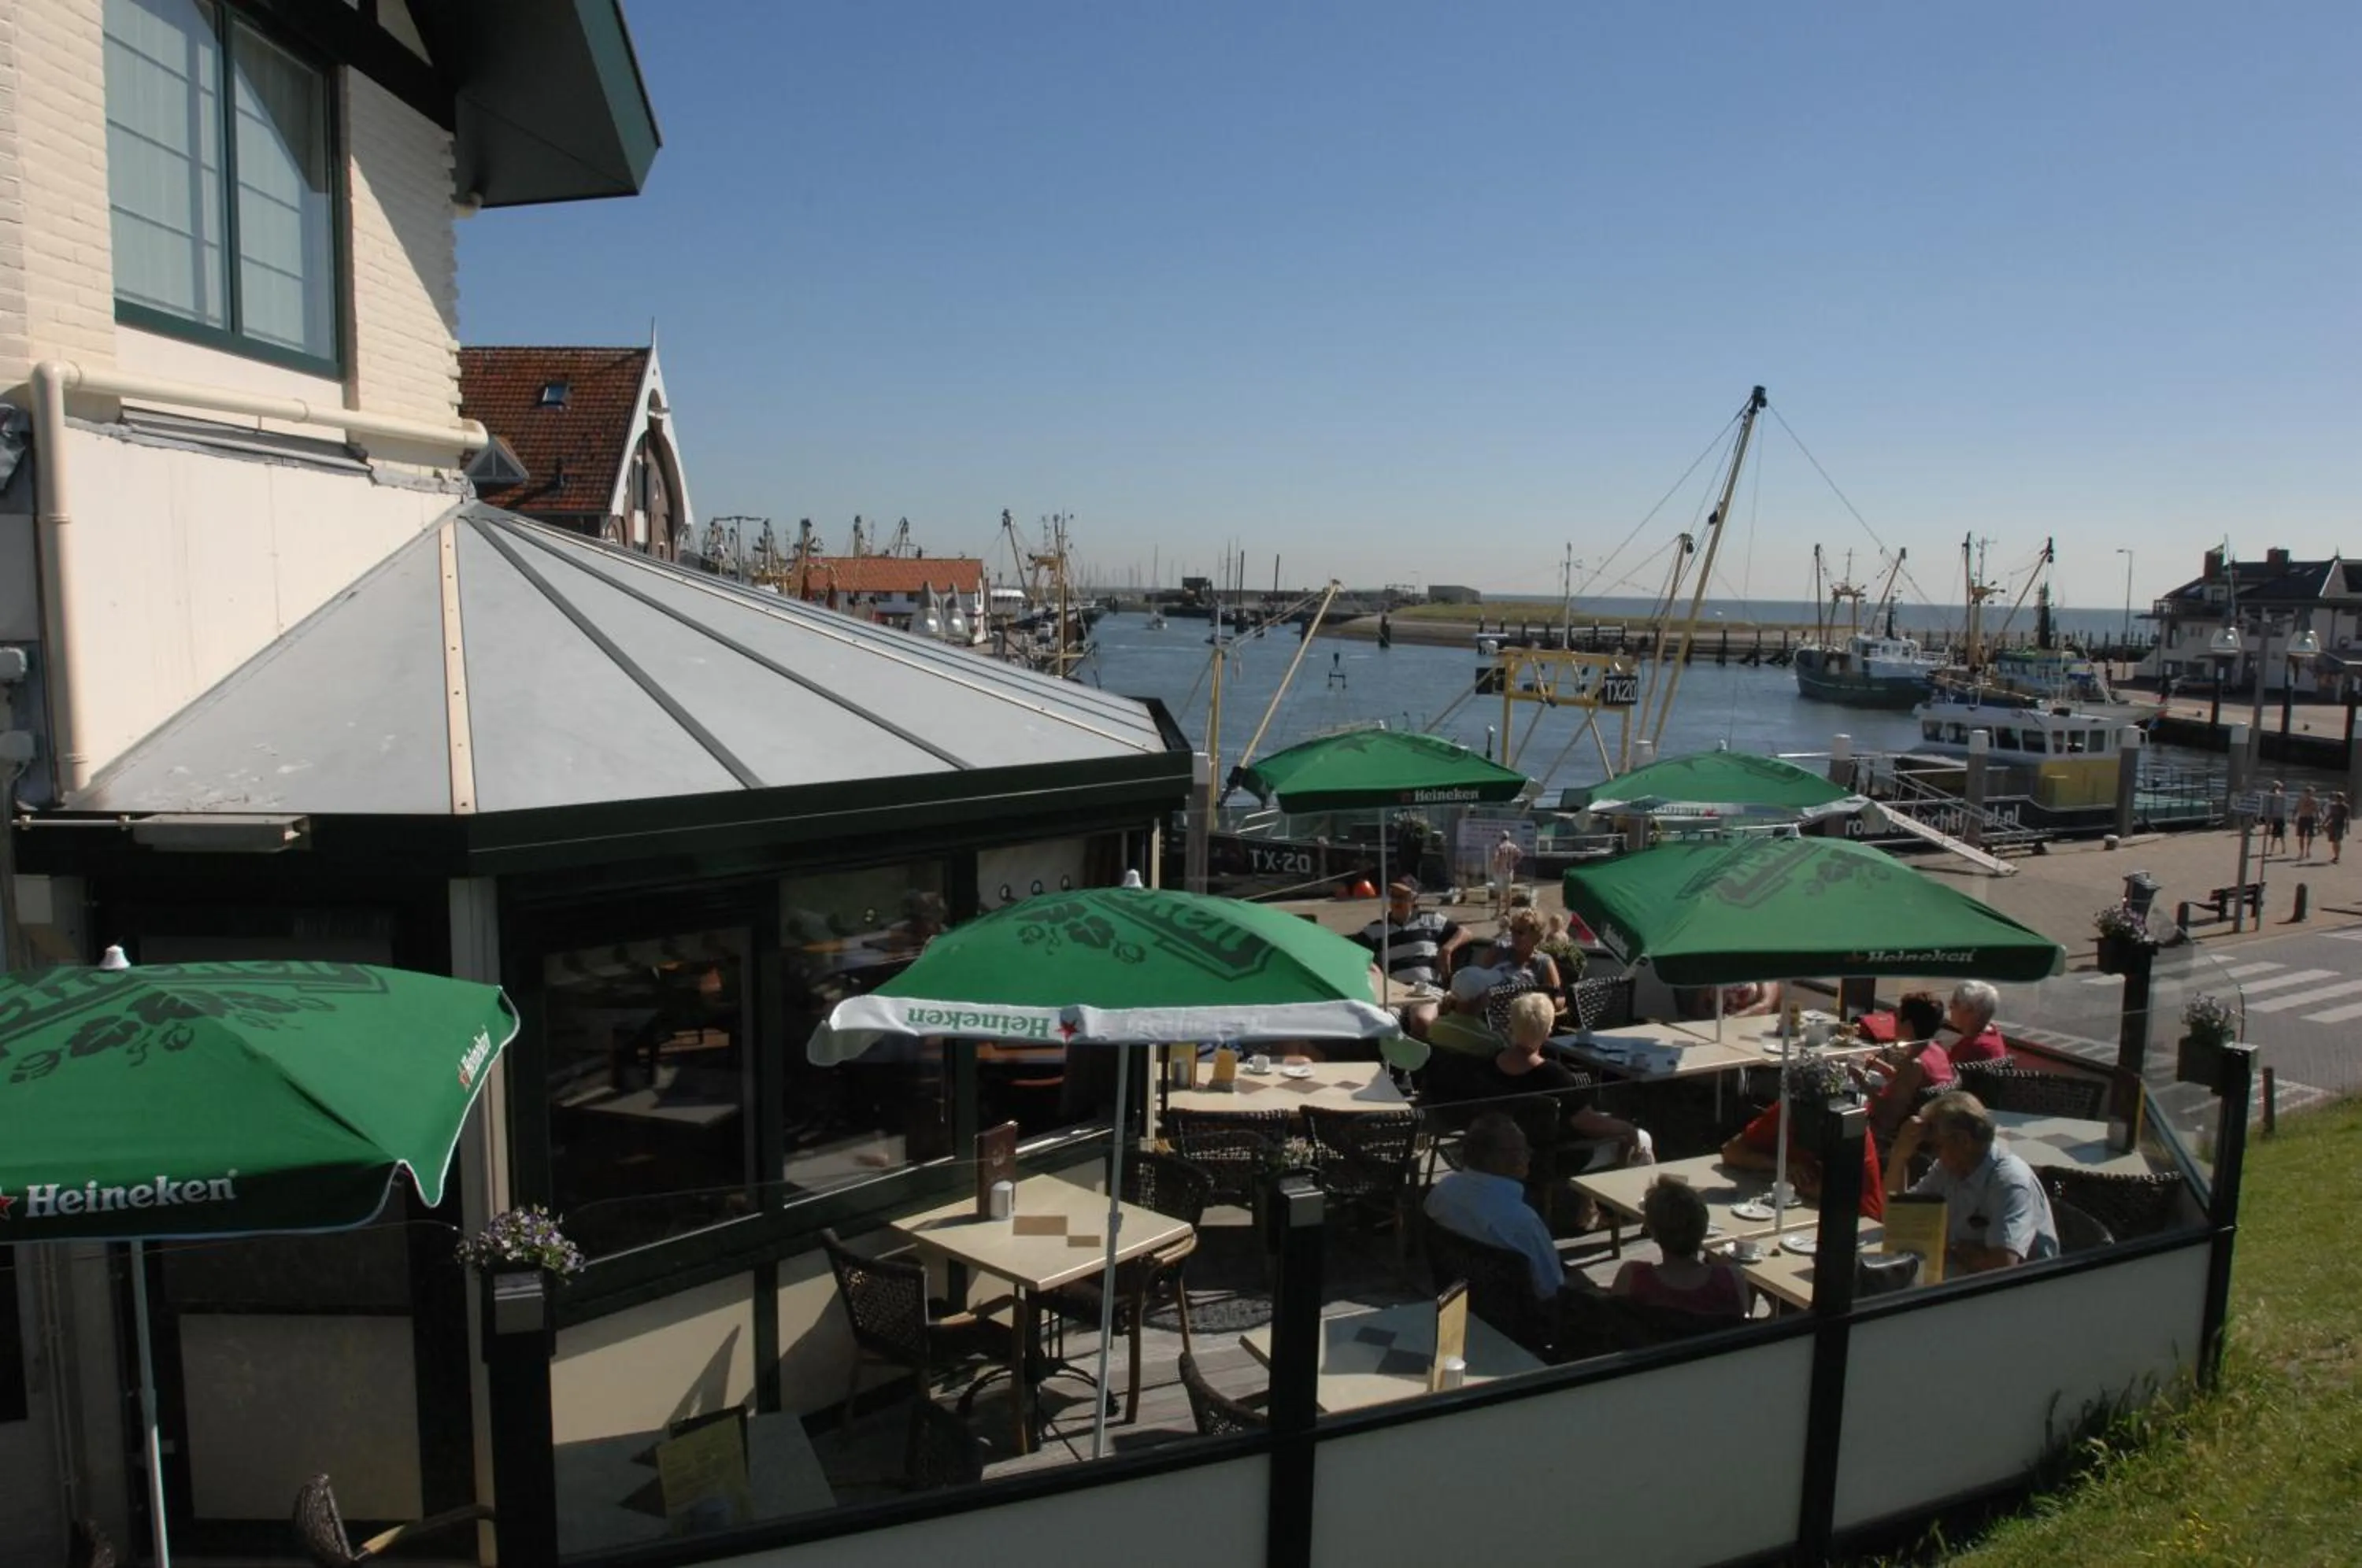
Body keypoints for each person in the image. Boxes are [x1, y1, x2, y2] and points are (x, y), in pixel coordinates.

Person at [1884, 1091, 2060, 1273]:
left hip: (2020, 1291)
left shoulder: (2009, 1182)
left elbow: (2002, 1268)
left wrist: (1953, 1249)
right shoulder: (1950, 1168)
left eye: (1936, 1146)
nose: (1933, 1154)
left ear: (1963, 1141)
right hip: (1963, 1274)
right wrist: (1900, 1155)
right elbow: (1897, 1216)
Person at [1423, 1111, 1576, 1300]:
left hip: (1466, 1305)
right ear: (1494, 1158)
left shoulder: (1442, 1192)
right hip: (1526, 1319)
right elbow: (1551, 1288)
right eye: (1521, 1149)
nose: (1530, 1152)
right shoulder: (1521, 1222)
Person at [1721, 1055, 1886, 1219]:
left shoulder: (1851, 1128)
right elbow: (1732, 1151)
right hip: (1796, 1213)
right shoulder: (1787, 1112)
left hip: (1856, 1219)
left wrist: (1795, 1182)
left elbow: (1843, 1194)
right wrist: (1783, 1166)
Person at [1611, 1178, 1751, 1319]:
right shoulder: (1731, 1281)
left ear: (1653, 1232)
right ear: (1704, 1229)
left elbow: (1614, 1322)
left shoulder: (1633, 1278)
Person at [1354, 877, 1469, 1037]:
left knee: (1422, 1020)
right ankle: (1395, 1061)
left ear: (1414, 899)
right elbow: (1353, 951)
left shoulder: (1431, 920)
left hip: (1426, 990)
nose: (1396, 900)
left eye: (1402, 896)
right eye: (1393, 895)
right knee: (1382, 1024)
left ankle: (1421, 1061)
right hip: (1394, 993)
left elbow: (1465, 933)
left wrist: (1447, 949)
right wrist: (1372, 967)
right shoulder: (1376, 929)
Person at [1859, 990, 1955, 1146]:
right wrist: (1885, 1069)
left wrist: (1861, 1082)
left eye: (1897, 1016)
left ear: (1908, 1025)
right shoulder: (1938, 1050)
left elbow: (1888, 1119)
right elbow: (1911, 1087)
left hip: (1892, 1139)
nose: (1894, 1021)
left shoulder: (1913, 1064)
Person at [1486, 908, 1570, 1022]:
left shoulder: (1543, 962)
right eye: (1512, 930)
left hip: (1525, 1021)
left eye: (1520, 932)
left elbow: (1559, 999)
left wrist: (1537, 1005)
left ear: (1536, 936)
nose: (1514, 935)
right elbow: (1481, 983)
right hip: (1493, 1018)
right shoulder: (1498, 951)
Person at [1943, 979, 2009, 1063]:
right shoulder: (1991, 1034)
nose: (1950, 1005)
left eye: (1955, 1002)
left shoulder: (1975, 1049)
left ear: (1970, 1011)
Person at [1490, 830, 1523, 921]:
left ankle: (1497, 912)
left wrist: (1495, 867)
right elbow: (1520, 854)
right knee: (1508, 893)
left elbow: (1496, 858)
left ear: (1501, 837)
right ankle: (1508, 912)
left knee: (1499, 893)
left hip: (1500, 872)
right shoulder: (1513, 846)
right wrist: (1513, 864)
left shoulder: (1499, 847)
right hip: (1509, 871)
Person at [2296, 786, 2321, 861]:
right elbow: (2297, 808)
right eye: (2309, 792)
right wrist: (2295, 817)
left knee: (2310, 835)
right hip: (2302, 818)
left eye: (2312, 793)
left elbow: (2317, 811)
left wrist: (2319, 820)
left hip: (2310, 818)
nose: (2310, 794)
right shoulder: (2301, 800)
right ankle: (2301, 851)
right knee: (2301, 836)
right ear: (2305, 792)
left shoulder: (2315, 801)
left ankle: (2308, 850)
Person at [2265, 781, 2289, 854]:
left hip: (2280, 817)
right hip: (2275, 817)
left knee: (2281, 835)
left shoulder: (2280, 796)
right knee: (2274, 835)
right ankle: (2272, 850)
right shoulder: (2272, 796)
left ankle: (2283, 848)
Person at [2329, 790, 2352, 865]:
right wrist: (2324, 823)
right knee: (2333, 841)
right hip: (2333, 825)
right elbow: (2330, 815)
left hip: (2340, 825)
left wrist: (2348, 828)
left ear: (2343, 798)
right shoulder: (2333, 806)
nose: (2339, 798)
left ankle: (2337, 857)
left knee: (2337, 841)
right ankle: (2335, 856)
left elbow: (2347, 818)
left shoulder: (2345, 807)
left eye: (2340, 797)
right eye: (2338, 797)